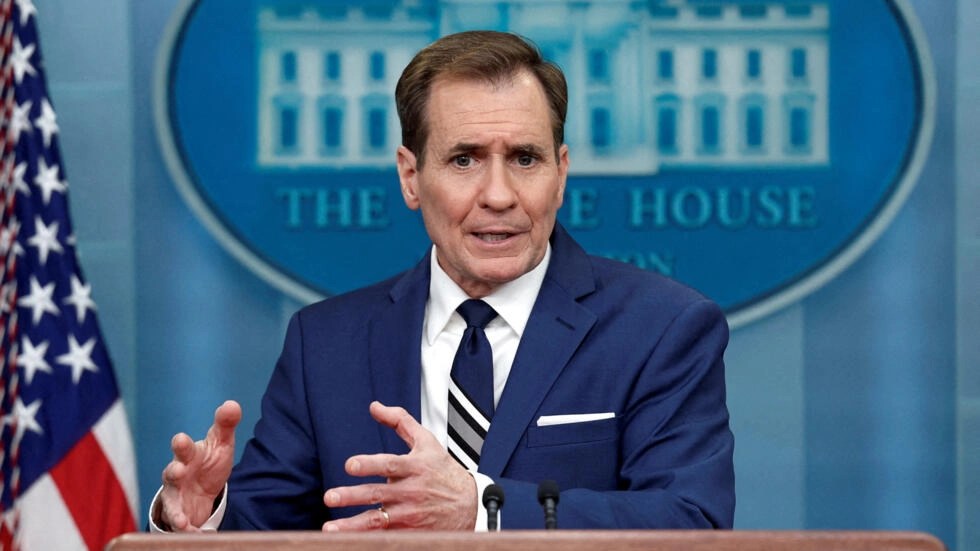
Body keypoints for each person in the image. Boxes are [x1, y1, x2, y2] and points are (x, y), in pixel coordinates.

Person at [152, 29, 734, 532]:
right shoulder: (325, 344)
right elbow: (265, 530)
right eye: (465, 160)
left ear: (560, 174)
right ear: (411, 177)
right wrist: (204, 515)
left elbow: (691, 520)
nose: (499, 195)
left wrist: (480, 509)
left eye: (525, 159)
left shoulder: (661, 328)